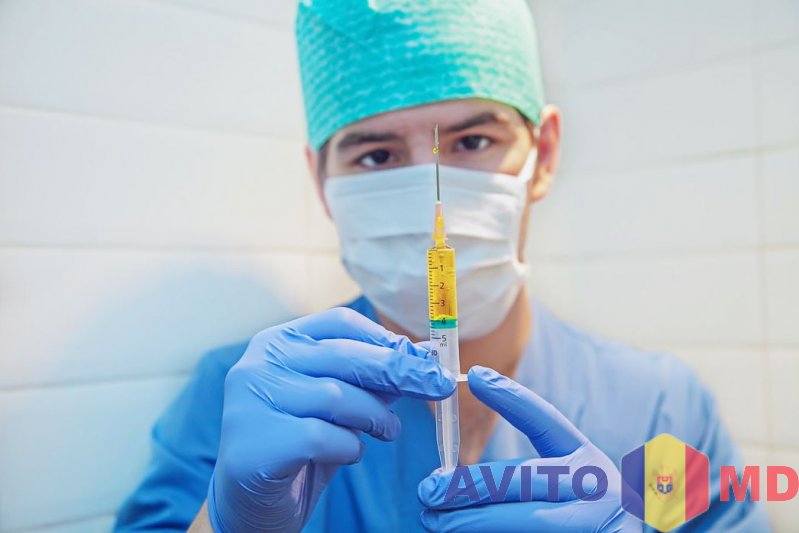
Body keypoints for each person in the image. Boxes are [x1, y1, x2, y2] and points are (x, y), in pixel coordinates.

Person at [114, 1, 769, 531]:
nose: (430, 186)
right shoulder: (250, 397)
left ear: (542, 154)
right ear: (322, 183)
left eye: (473, 140)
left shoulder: (660, 405)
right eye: (376, 156)